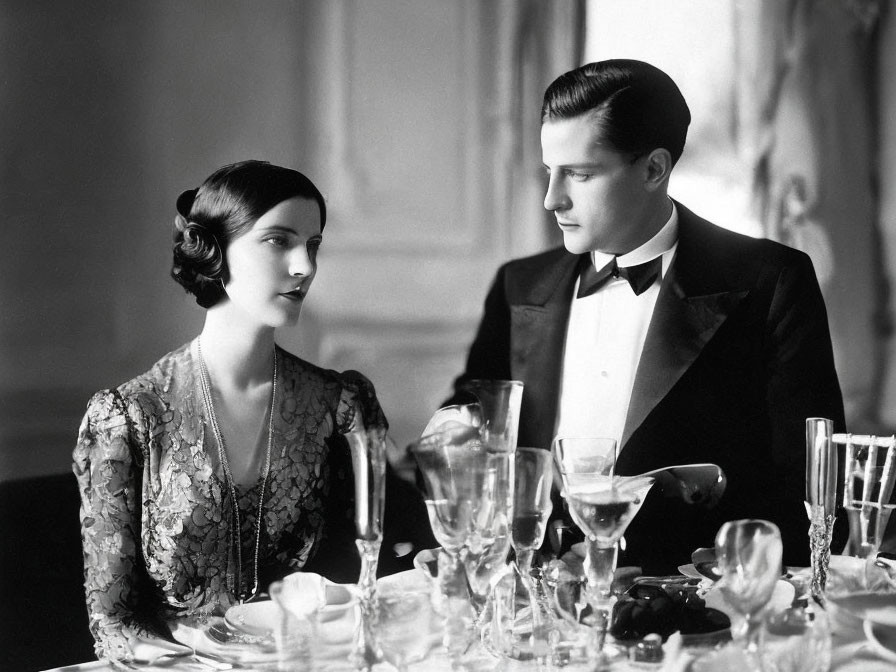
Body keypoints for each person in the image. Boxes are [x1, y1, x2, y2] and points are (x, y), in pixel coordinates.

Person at [449, 60, 845, 573]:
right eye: (550, 170)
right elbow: (473, 414)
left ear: (654, 169)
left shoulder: (771, 281)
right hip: (536, 601)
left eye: (581, 174)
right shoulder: (518, 284)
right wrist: (451, 428)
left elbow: (810, 485)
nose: (552, 198)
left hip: (693, 609)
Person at [73, 161, 432, 662]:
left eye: (313, 245)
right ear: (216, 253)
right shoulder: (129, 418)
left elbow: (382, 563)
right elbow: (115, 627)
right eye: (278, 240)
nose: (304, 265)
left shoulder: (339, 405)